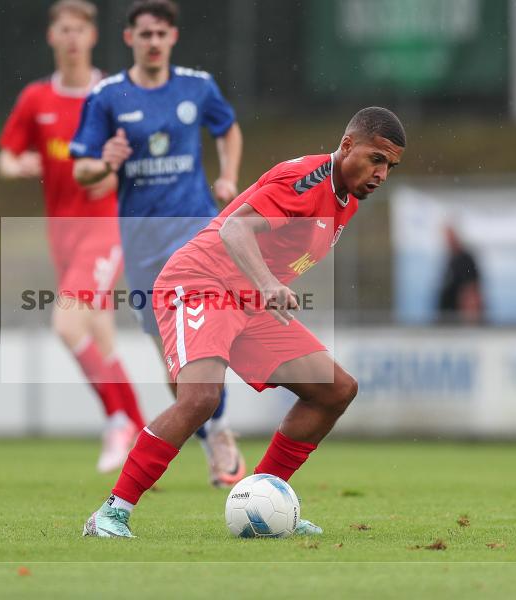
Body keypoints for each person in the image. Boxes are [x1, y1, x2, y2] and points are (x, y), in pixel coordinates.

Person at [82, 107, 407, 538]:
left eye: (390, 166)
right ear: (347, 145)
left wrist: (263, 287)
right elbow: (234, 229)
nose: (382, 173)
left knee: (335, 390)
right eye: (376, 159)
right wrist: (269, 283)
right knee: (199, 398)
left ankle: (263, 499)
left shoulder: (346, 197)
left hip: (249, 301)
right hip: (201, 283)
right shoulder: (306, 179)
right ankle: (110, 513)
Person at [71, 0, 246, 487]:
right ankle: (209, 427)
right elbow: (82, 169)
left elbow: (227, 129)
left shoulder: (197, 86)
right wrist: (105, 160)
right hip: (142, 241)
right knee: (172, 355)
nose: (153, 42)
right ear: (129, 38)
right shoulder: (107, 96)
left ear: (173, 38)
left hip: (195, 229)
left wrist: (228, 175)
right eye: (144, 34)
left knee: (208, 338)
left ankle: (219, 429)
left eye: (161, 34)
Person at [0, 0, 145, 473]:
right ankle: (144, 446)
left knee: (65, 324)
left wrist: (114, 172)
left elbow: (140, 157)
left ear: (92, 37)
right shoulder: (35, 99)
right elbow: (5, 157)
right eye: (65, 29)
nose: (73, 38)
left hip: (106, 227)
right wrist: (18, 165)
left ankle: (117, 420)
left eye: (80, 29)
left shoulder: (112, 95)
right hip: (61, 234)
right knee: (101, 340)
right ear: (52, 37)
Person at [437, 224, 483, 324]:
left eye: (450, 237)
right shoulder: (450, 260)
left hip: (460, 322)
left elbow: (471, 290)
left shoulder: (466, 259)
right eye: (446, 238)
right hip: (448, 321)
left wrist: (469, 318)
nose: (448, 241)